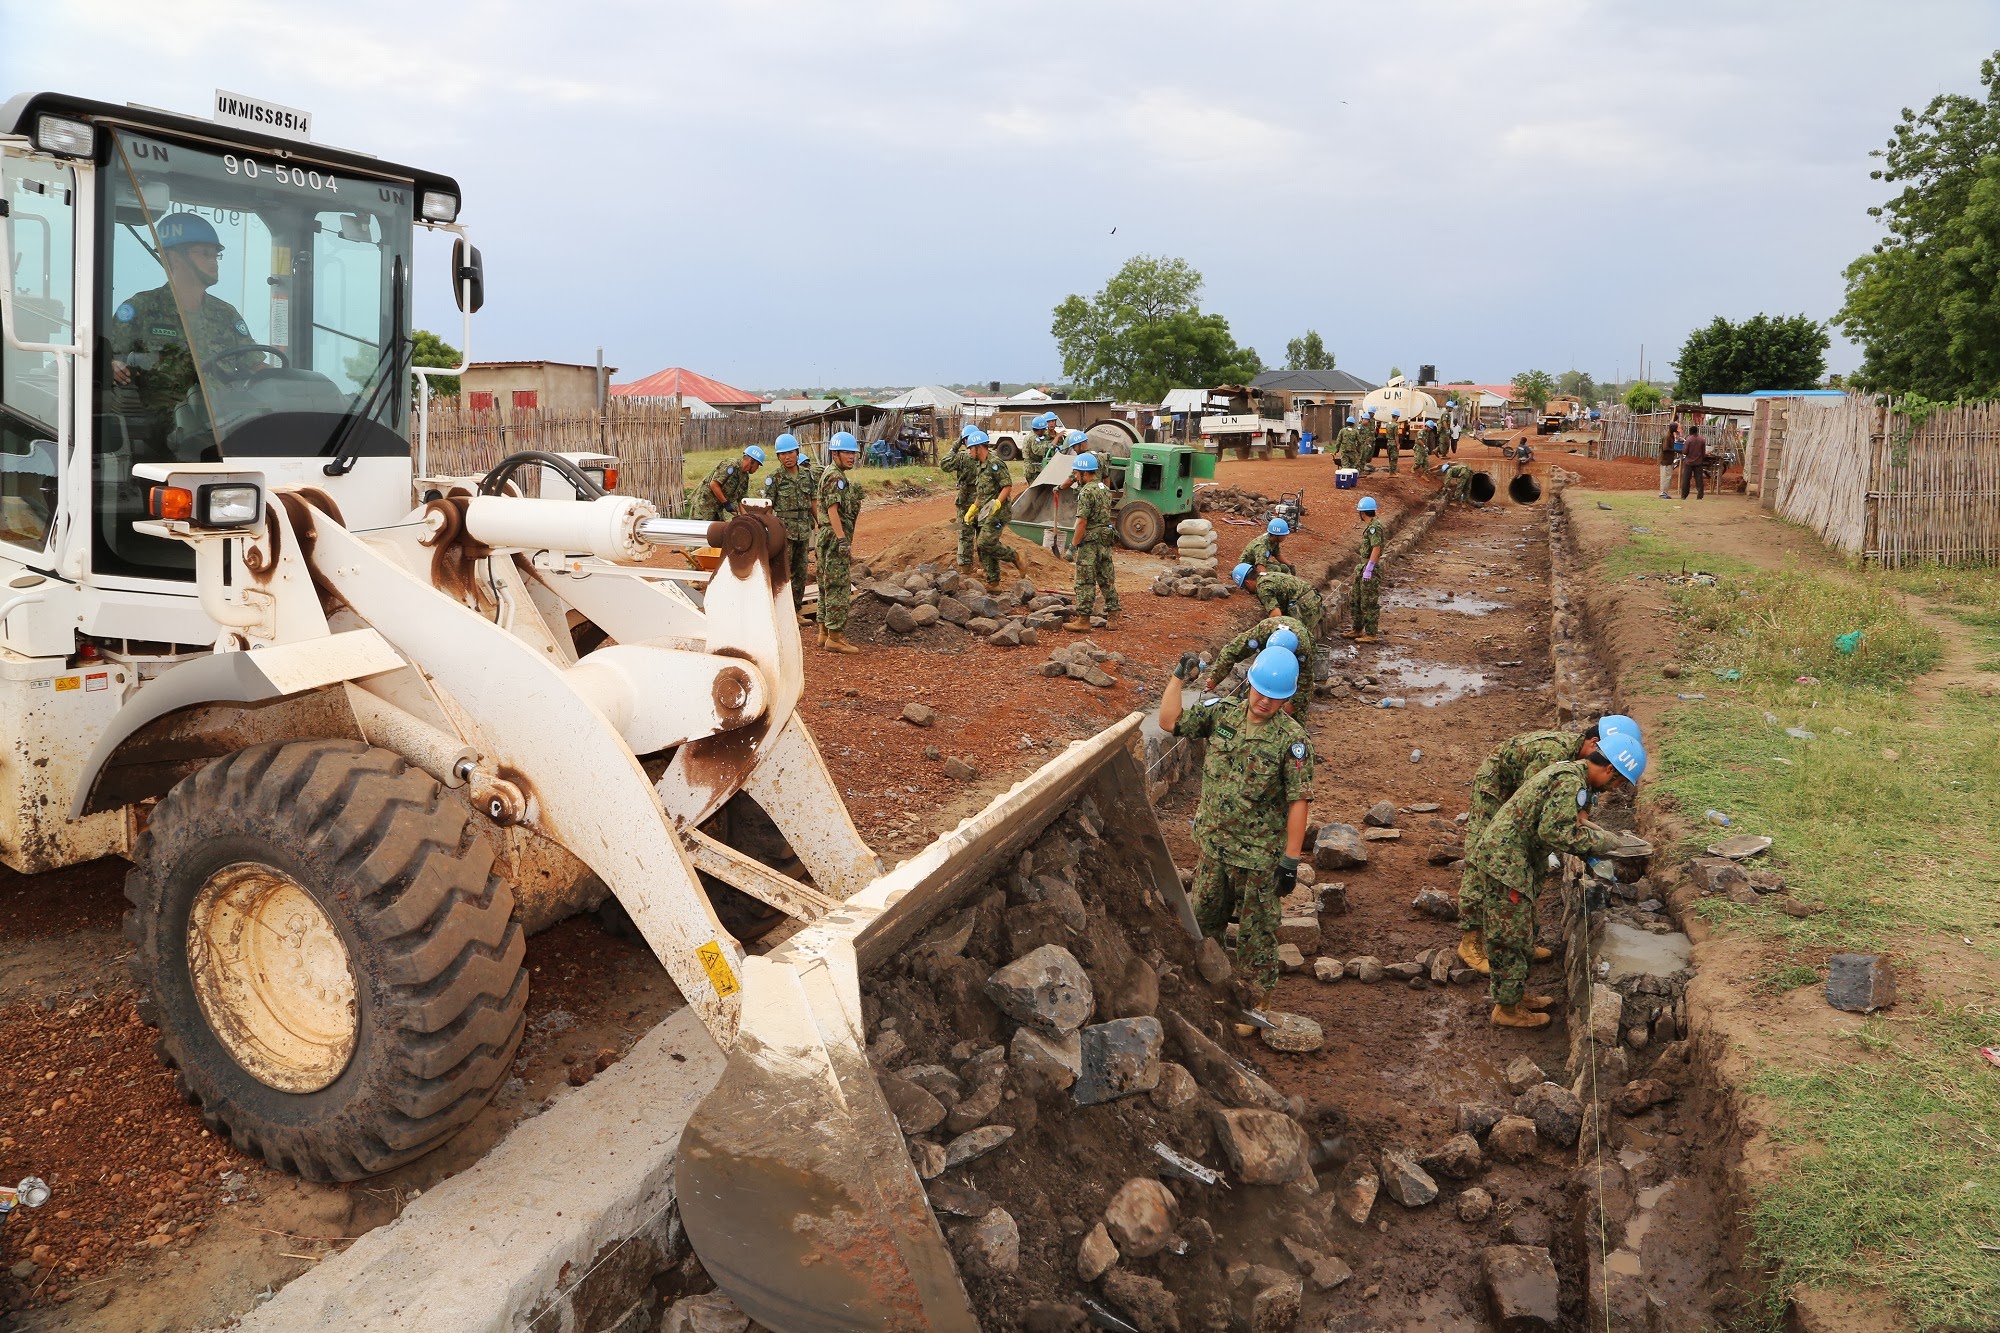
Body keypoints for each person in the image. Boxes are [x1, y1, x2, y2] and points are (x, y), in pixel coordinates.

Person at [1160, 644, 1314, 993]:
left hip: (1258, 860)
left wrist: (1291, 860)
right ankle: (1210, 994)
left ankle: (1255, 1002)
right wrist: (1177, 679)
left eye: (1276, 698)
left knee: (1256, 938)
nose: (1265, 702)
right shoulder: (1222, 715)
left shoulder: (1292, 741)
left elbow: (1298, 800)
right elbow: (1170, 722)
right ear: (1250, 682)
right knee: (1203, 926)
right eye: (1261, 692)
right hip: (1214, 851)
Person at [1464, 734, 1646, 1028]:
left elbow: (1567, 823)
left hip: (1516, 856)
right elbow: (1555, 832)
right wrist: (1602, 841)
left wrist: (1591, 841)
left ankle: (1515, 996)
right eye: (1618, 783)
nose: (1615, 790)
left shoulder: (1573, 775)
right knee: (1510, 934)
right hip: (1505, 861)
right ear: (1610, 770)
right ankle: (1506, 1009)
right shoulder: (1569, 782)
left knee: (1521, 928)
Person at [109, 212, 259, 418]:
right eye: (205, 254)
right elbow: (106, 358)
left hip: (225, 422)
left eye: (216, 255)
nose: (214, 262)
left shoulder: (226, 314)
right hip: (165, 426)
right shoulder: (141, 308)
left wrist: (287, 381)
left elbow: (254, 365)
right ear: (175, 258)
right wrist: (112, 365)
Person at [814, 432, 864, 653]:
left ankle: (823, 632)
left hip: (826, 536)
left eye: (853, 452)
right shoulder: (836, 477)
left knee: (825, 583)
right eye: (847, 452)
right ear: (835, 454)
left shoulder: (831, 473)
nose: (851, 457)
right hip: (834, 537)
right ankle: (835, 637)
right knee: (837, 586)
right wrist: (842, 540)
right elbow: (833, 510)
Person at [759, 434, 816, 620]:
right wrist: (767, 533)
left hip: (804, 529)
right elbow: (767, 508)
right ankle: (779, 610)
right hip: (784, 531)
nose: (787, 457)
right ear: (778, 457)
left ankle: (795, 610)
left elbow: (813, 500)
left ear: (797, 453)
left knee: (801, 571)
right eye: (782, 454)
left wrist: (821, 523)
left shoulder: (807, 475)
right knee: (783, 570)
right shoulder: (774, 478)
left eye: (790, 452)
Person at [1063, 452, 1120, 630]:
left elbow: (1082, 522)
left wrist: (1072, 547)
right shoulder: (1104, 488)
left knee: (1085, 580)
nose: (1076, 477)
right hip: (1104, 540)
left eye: (1077, 474)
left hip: (1090, 543)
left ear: (1084, 473)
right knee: (1106, 578)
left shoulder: (1086, 492)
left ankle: (1084, 620)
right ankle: (1113, 617)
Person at [1205, 616, 1312, 698]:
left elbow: (1305, 683)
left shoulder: (1303, 650)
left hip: (1301, 637)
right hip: (1269, 630)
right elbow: (1231, 651)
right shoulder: (1262, 632)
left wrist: (1291, 706)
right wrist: (1215, 678)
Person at [1231, 564, 1322, 654]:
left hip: (1306, 608)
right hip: (1312, 599)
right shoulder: (1266, 576)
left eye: (1244, 587)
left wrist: (1265, 639)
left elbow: (1276, 616)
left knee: (1297, 640)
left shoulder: (1262, 588)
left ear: (1247, 583)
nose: (1247, 591)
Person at [968, 430, 1020, 585]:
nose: (969, 452)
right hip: (986, 512)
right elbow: (983, 492)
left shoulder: (995, 463)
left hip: (999, 512)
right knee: (985, 545)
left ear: (979, 448)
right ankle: (993, 583)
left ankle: (1016, 557)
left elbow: (1007, 486)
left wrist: (997, 503)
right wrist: (974, 508)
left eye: (970, 448)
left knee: (984, 542)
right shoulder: (980, 465)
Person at [941, 427, 982, 574]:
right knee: (983, 533)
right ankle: (985, 566)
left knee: (965, 533)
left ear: (965, 441)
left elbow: (944, 464)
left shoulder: (962, 457)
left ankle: (965, 568)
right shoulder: (989, 456)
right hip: (984, 498)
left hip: (966, 500)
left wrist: (955, 446)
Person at [1346, 496, 1385, 643]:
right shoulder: (1371, 526)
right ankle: (1357, 629)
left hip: (1369, 567)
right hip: (1362, 566)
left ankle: (1371, 634)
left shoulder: (1375, 527)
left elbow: (1376, 548)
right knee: (1356, 598)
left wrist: (1369, 568)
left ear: (1362, 513)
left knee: (1368, 602)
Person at [691, 445, 765, 521]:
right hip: (703, 506)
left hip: (717, 509)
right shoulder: (730, 465)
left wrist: (746, 519)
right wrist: (726, 503)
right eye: (758, 465)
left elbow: (742, 500)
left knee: (719, 530)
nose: (757, 468)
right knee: (702, 531)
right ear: (751, 461)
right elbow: (714, 484)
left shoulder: (745, 477)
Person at [1680, 426, 1708, 500]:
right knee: (1699, 479)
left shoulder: (1688, 440)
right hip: (1698, 462)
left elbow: (1685, 452)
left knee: (1686, 479)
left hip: (1688, 462)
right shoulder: (1702, 440)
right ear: (1697, 431)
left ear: (1690, 432)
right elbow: (1703, 453)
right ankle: (1700, 495)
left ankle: (1684, 495)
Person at [1658, 421, 1680, 499]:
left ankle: (1664, 492)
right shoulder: (1667, 436)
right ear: (1672, 428)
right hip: (1665, 460)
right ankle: (1663, 493)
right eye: (1676, 428)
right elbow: (1665, 448)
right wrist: (1675, 450)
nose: (1677, 429)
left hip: (1668, 460)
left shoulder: (1671, 435)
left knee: (1668, 477)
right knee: (1665, 477)